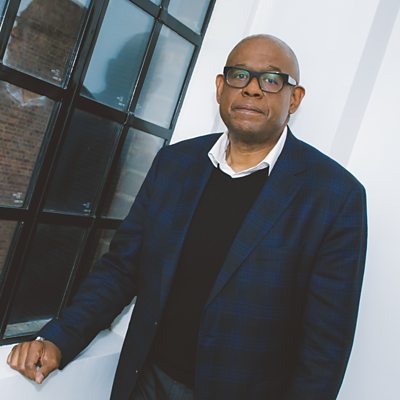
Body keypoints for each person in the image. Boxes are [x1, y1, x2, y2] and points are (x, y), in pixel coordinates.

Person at [7, 34, 367, 400]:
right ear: (220, 87)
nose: (252, 89)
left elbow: (325, 346)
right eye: (239, 75)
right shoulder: (175, 164)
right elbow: (121, 268)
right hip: (144, 381)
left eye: (272, 80)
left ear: (295, 98)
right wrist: (59, 338)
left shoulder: (335, 196)